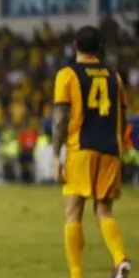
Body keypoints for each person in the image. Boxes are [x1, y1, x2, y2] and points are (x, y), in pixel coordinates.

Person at [52, 26, 131, 278]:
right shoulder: (114, 77)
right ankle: (120, 260)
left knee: (73, 212)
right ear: (99, 48)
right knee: (104, 211)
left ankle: (76, 274)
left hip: (81, 149)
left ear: (75, 45)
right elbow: (123, 116)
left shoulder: (67, 75)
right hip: (110, 149)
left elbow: (60, 118)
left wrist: (56, 155)